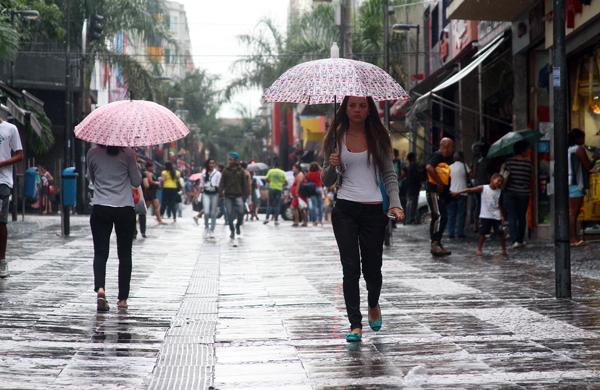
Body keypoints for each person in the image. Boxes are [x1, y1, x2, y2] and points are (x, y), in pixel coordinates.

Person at [322, 96, 404, 343]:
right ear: (345, 108)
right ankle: (355, 324)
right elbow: (326, 181)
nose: (357, 109)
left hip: (373, 210)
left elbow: (389, 174)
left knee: (372, 269)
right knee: (350, 269)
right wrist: (331, 165)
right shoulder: (336, 137)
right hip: (345, 209)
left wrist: (396, 203)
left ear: (369, 110)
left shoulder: (380, 137)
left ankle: (373, 303)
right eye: (352, 105)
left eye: (362, 105)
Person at [87, 145, 142, 311]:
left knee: (100, 252)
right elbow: (136, 181)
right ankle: (123, 298)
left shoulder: (92, 153)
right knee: (125, 254)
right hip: (124, 208)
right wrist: (135, 163)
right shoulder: (128, 154)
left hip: (100, 207)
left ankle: (101, 289)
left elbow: (92, 178)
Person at [456, 173, 507, 256]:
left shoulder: (499, 191)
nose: (499, 183)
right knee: (483, 233)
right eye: (498, 181)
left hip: (496, 215)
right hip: (485, 215)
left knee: (501, 233)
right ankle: (479, 249)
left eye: (501, 182)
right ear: (492, 179)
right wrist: (458, 192)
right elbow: (470, 190)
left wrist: (502, 215)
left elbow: (500, 204)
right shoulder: (484, 188)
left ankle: (504, 249)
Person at [0, 119, 23, 278]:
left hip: (3, 181)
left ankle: (2, 260)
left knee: (1, 222)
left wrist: (2, 163)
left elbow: (20, 155)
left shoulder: (10, 129)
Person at [568, 128, 598, 246]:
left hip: (569, 181)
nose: (584, 140)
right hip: (576, 183)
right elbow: (588, 166)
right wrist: (595, 158)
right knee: (573, 212)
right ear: (578, 138)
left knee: (572, 212)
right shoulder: (578, 149)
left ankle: (572, 237)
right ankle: (574, 239)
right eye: (582, 138)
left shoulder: (568, 149)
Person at [501, 140, 533, 248]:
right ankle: (520, 239)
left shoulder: (508, 162)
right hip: (523, 193)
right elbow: (530, 178)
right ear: (523, 150)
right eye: (528, 149)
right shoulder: (529, 163)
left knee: (512, 216)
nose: (529, 150)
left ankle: (514, 240)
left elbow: (503, 177)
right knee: (521, 216)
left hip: (510, 192)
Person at [426, 138, 455, 256]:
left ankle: (437, 242)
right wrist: (438, 183)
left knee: (443, 216)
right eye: (451, 147)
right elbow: (429, 167)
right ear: (445, 146)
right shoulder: (437, 155)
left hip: (441, 193)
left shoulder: (446, 158)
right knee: (438, 216)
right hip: (434, 192)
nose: (452, 149)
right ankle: (435, 244)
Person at [219, 151, 249, 240]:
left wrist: (245, 195)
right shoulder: (225, 170)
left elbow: (245, 184)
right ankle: (232, 230)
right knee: (229, 214)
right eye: (229, 159)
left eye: (231, 159)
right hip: (228, 196)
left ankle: (238, 226)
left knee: (241, 213)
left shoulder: (241, 171)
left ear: (236, 160)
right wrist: (221, 193)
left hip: (238, 195)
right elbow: (221, 183)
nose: (229, 161)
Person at [448, 152, 469, 238]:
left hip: (452, 192)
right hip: (462, 192)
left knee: (451, 214)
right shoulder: (464, 166)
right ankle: (460, 232)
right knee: (461, 214)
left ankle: (451, 232)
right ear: (461, 158)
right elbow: (472, 175)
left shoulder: (449, 167)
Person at [201, 159, 221, 237]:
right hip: (206, 193)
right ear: (207, 164)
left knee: (213, 213)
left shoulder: (218, 173)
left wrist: (220, 192)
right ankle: (206, 226)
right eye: (210, 163)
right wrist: (197, 195)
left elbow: (219, 184)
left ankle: (212, 229)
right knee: (206, 212)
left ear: (215, 164)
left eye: (213, 163)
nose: (211, 165)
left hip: (215, 194)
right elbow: (201, 184)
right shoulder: (203, 173)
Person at [263, 161, 287, 226]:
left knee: (270, 204)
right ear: (280, 167)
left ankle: (267, 218)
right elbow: (286, 182)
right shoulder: (282, 172)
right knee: (277, 205)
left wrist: (270, 182)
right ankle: (276, 220)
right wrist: (281, 185)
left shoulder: (271, 171)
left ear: (274, 165)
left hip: (271, 188)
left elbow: (266, 179)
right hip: (279, 189)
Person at [405, 152, 423, 224]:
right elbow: (417, 177)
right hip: (414, 188)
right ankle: (411, 219)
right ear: (413, 158)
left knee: (410, 204)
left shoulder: (409, 167)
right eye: (415, 157)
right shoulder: (414, 166)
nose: (416, 158)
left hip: (410, 188)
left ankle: (408, 219)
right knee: (413, 204)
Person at [306, 162, 324, 226]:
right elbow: (323, 172)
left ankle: (314, 221)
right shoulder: (319, 173)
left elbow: (307, 180)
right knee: (320, 205)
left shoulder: (309, 173)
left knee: (313, 206)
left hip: (312, 189)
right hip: (319, 189)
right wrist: (320, 167)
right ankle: (320, 220)